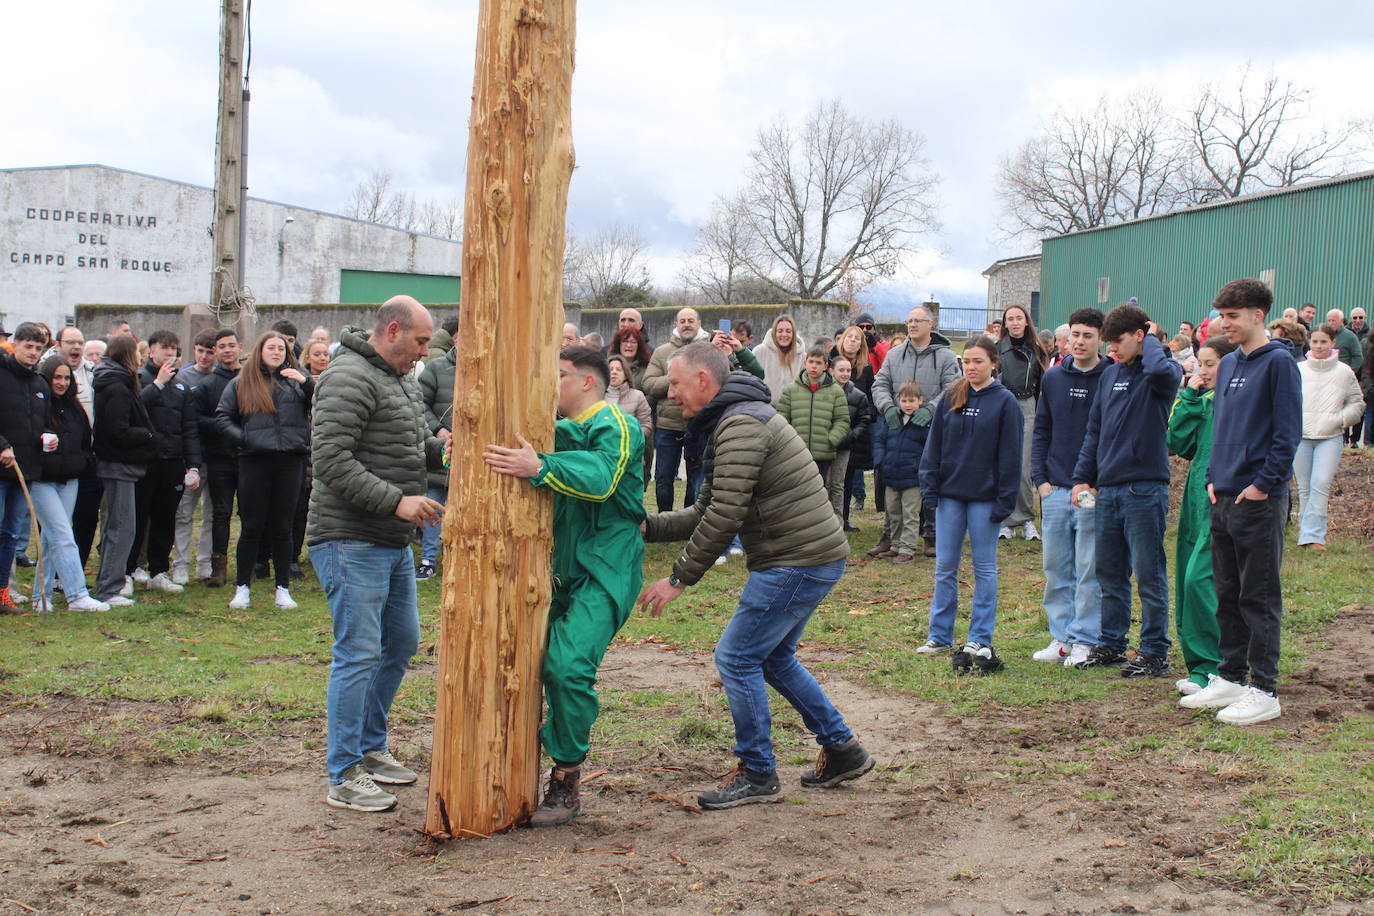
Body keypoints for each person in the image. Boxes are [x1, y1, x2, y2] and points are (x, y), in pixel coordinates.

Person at [639, 342, 873, 809]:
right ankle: (843, 749)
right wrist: (649, 527)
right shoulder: (734, 418)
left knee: (737, 658)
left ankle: (758, 772)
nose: (670, 395)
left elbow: (724, 517)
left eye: (678, 384)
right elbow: (708, 506)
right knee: (773, 658)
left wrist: (678, 578)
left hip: (797, 559)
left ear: (704, 381)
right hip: (810, 556)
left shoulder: (741, 424)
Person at [483, 345, 645, 826]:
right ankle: (508, 769)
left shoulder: (618, 424)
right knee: (528, 665)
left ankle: (566, 778)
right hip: (555, 569)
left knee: (568, 665)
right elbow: (506, 464)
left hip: (606, 568)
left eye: (558, 376)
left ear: (587, 382)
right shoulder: (549, 428)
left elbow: (598, 480)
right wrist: (462, 450)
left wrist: (541, 467)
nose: (549, 385)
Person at [310, 296, 447, 812]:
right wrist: (398, 502)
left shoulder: (397, 379)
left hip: (388, 542)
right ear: (393, 330)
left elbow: (410, 445)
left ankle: (369, 749)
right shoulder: (348, 377)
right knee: (359, 652)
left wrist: (442, 449)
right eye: (418, 342)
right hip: (350, 539)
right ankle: (343, 773)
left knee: (401, 642)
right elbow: (331, 461)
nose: (423, 352)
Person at [1180, 278, 1301, 725]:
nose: (1224, 323)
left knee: (1259, 594)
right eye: (1221, 315)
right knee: (1226, 591)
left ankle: (1264, 688)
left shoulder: (1279, 365)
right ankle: (1229, 676)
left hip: (1258, 499)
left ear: (1257, 316)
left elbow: (1287, 434)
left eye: (1233, 316)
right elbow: (1222, 428)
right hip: (1222, 494)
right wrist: (1213, 477)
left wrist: (1262, 486)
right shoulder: (1228, 365)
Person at [1071, 304, 1182, 677]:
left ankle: (1154, 651)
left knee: (1149, 573)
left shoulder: (1161, 372)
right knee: (1110, 572)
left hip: (1145, 489)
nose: (1113, 351)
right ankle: (1113, 644)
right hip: (1107, 490)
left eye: (1119, 342)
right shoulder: (1110, 375)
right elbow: (1094, 432)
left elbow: (1159, 369)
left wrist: (1150, 338)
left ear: (1140, 335)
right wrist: (1082, 478)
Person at [915, 337, 1022, 672]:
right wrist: (930, 487)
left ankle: (980, 637)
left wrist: (1005, 500)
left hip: (985, 499)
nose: (972, 368)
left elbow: (1011, 455)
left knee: (984, 569)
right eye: (967, 362)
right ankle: (939, 635)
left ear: (993, 363)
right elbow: (934, 446)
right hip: (950, 496)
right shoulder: (952, 396)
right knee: (944, 567)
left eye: (978, 361)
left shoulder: (1005, 402)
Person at [1031, 308, 1109, 668]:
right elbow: (1042, 429)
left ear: (1100, 338)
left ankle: (1085, 639)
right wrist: (1040, 479)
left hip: (1090, 488)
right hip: (1055, 488)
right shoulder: (1053, 378)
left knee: (1087, 567)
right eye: (1075, 334)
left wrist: (1095, 480)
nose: (1080, 342)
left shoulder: (1111, 376)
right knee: (1056, 567)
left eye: (1088, 336)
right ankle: (1061, 637)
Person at [216, 332, 313, 610]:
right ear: (260, 351)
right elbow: (222, 417)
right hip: (254, 461)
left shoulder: (296, 381)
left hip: (290, 461)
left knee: (283, 527)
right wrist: (244, 438)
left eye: (281, 348)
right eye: (271, 347)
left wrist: (305, 383)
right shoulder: (242, 383)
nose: (276, 352)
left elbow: (321, 401)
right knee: (251, 526)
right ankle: (243, 587)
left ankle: (282, 587)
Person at [1166, 338, 1234, 697]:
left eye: (1210, 365)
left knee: (1201, 581)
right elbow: (1178, 441)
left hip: (1220, 497)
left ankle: (1219, 664)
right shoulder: (1203, 400)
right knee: (1186, 579)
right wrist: (1190, 398)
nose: (1202, 372)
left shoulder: (1235, 402)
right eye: (1200, 364)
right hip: (1195, 498)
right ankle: (1199, 666)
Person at [870, 305, 961, 558]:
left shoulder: (945, 357)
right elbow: (880, 383)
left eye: (918, 320)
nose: (912, 325)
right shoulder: (894, 354)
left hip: (931, 429)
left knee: (929, 480)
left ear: (930, 324)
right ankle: (890, 537)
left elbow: (953, 387)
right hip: (897, 429)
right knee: (892, 480)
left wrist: (931, 409)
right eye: (909, 320)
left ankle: (930, 536)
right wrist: (887, 406)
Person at [31, 357, 108, 611]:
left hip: (71, 479)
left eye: (66, 377)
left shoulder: (75, 408)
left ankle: (41, 597)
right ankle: (77, 594)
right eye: (57, 377)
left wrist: (82, 464)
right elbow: (28, 436)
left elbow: (85, 441)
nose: (62, 382)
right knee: (63, 535)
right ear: (47, 377)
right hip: (42, 480)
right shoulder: (37, 405)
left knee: (51, 539)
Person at [128, 330, 201, 595]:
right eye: (165, 349)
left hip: (172, 461)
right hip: (144, 460)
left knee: (165, 518)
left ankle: (159, 570)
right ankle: (128, 570)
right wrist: (157, 384)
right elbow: (134, 411)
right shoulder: (139, 379)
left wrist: (193, 465)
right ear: (151, 351)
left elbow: (189, 428)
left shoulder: (182, 387)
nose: (170, 354)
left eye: (174, 350)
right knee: (137, 516)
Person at [92, 335, 157, 607]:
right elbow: (117, 430)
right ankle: (109, 587)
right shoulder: (118, 387)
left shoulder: (112, 381)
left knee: (116, 527)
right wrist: (146, 435)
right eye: (137, 354)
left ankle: (108, 583)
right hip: (119, 464)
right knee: (122, 528)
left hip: (117, 464)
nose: (141, 359)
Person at [1292, 325, 1364, 550]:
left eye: (1324, 342)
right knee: (1304, 486)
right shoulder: (1299, 369)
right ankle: (1305, 535)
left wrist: (1340, 419)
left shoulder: (1344, 372)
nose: (1319, 346)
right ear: (1309, 343)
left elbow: (1357, 402)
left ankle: (1315, 536)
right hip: (1301, 436)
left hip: (1330, 436)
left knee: (1320, 483)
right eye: (1315, 342)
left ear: (1333, 343)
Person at [640, 308, 712, 512]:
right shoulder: (662, 352)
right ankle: (665, 518)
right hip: (668, 426)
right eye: (682, 321)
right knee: (663, 476)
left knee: (696, 477)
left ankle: (689, 520)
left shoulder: (709, 351)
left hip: (699, 425)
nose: (686, 324)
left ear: (699, 323)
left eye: (691, 320)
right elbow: (649, 384)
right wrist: (677, 377)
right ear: (676, 324)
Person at [995, 305, 1047, 542]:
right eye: (1010, 319)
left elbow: (1043, 383)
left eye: (1019, 318)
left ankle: (1026, 518)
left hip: (1028, 406)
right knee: (1003, 464)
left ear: (1026, 321)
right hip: (1002, 405)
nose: (1015, 322)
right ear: (1005, 323)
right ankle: (1005, 520)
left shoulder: (1037, 350)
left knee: (1025, 466)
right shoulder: (997, 350)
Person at [195, 329, 242, 587]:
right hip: (220, 457)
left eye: (231, 345)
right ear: (215, 351)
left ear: (240, 347)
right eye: (221, 346)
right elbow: (198, 420)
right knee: (220, 513)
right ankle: (218, 567)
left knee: (249, 511)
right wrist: (223, 425)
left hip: (248, 456)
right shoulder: (207, 385)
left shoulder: (250, 379)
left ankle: (251, 563)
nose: (227, 350)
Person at [171, 330, 218, 584]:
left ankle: (205, 562)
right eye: (200, 351)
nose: (204, 356)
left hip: (216, 455)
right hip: (190, 456)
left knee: (212, 513)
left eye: (209, 352)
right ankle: (180, 563)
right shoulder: (183, 377)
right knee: (184, 511)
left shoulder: (222, 378)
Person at [872, 380, 928, 562]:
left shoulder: (924, 424)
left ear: (920, 401)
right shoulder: (892, 421)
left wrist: (918, 466)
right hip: (891, 475)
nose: (908, 405)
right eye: (904, 401)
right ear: (898, 401)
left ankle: (907, 549)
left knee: (910, 514)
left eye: (912, 401)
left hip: (912, 478)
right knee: (894, 513)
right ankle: (895, 545)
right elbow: (880, 441)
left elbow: (930, 449)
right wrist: (881, 461)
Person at [417, 336, 457, 581]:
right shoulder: (436, 367)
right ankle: (427, 560)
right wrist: (438, 429)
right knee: (433, 507)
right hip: (440, 451)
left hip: (473, 456)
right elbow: (420, 403)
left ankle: (455, 557)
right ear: (456, 339)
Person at [776, 347, 849, 479]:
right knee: (797, 489)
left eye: (818, 363)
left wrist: (832, 439)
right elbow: (782, 418)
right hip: (796, 452)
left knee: (820, 490)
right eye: (811, 361)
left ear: (826, 366)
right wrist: (789, 442)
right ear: (805, 363)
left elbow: (842, 420)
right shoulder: (791, 390)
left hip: (823, 453)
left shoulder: (836, 391)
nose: (814, 366)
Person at [830, 356, 872, 533]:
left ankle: (840, 521)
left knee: (840, 485)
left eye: (848, 370)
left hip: (846, 446)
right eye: (841, 370)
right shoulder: (824, 392)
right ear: (831, 371)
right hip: (824, 444)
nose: (845, 374)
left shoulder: (858, 396)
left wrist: (851, 436)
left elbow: (865, 419)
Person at [1324, 309, 1364, 445]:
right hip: (1328, 377)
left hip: (1344, 378)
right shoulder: (1325, 335)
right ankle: (1341, 437)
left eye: (1333, 320)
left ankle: (1352, 440)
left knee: (1347, 408)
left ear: (1341, 321)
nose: (1330, 323)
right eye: (1328, 320)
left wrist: (1350, 372)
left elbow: (1358, 357)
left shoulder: (1349, 336)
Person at [752, 315, 806, 406]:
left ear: (793, 334)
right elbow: (752, 381)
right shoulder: (760, 351)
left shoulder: (802, 356)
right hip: (764, 408)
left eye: (788, 331)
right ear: (774, 333)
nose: (784, 335)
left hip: (792, 409)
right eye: (780, 331)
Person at [604, 355, 652, 445]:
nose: (614, 372)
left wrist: (632, 439)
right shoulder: (597, 395)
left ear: (625, 374)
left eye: (618, 369)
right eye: (610, 369)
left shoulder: (637, 396)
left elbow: (646, 425)